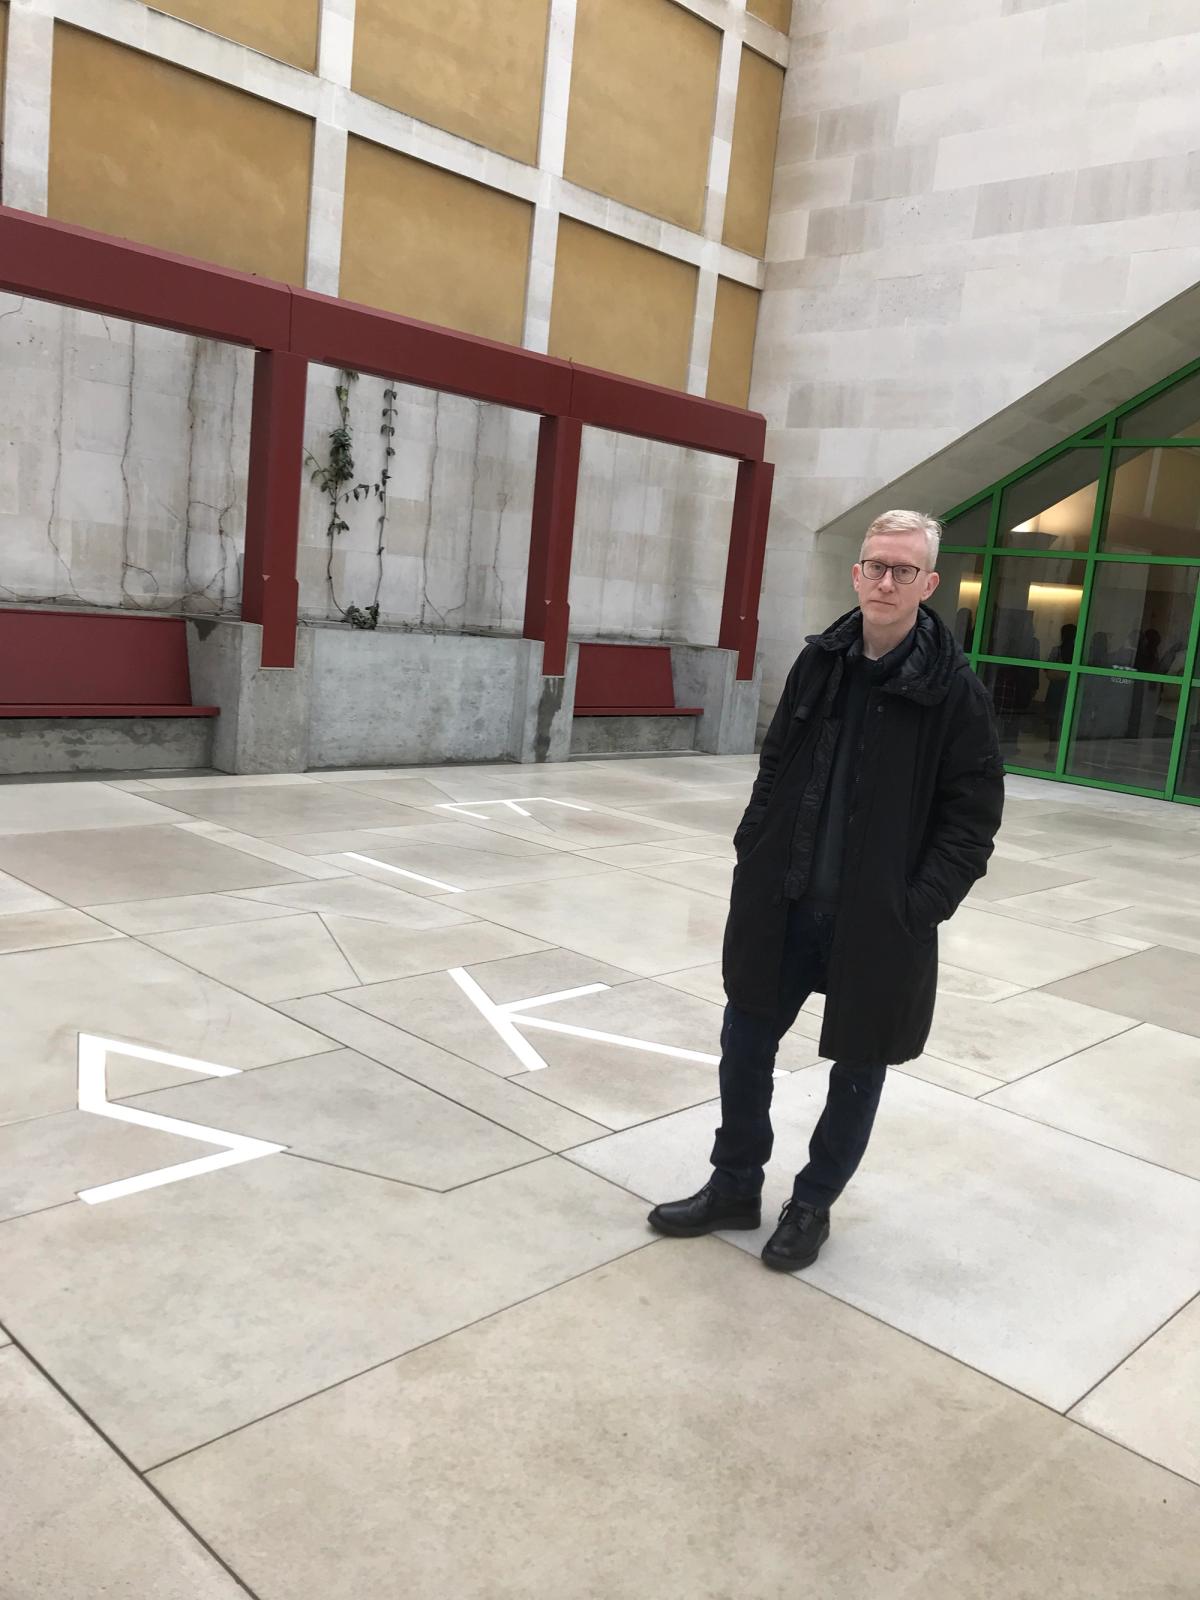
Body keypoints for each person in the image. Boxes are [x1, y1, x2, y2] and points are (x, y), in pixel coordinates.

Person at [648, 510, 1005, 1271]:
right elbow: (774, 762)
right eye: (875, 564)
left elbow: (971, 824)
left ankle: (812, 1205)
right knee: (744, 1041)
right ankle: (735, 1184)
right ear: (856, 571)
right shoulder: (820, 663)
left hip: (877, 922)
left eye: (902, 570)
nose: (885, 580)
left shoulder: (954, 695)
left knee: (858, 1068)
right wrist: (754, 846)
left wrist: (916, 908)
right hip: (783, 902)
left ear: (929, 583)